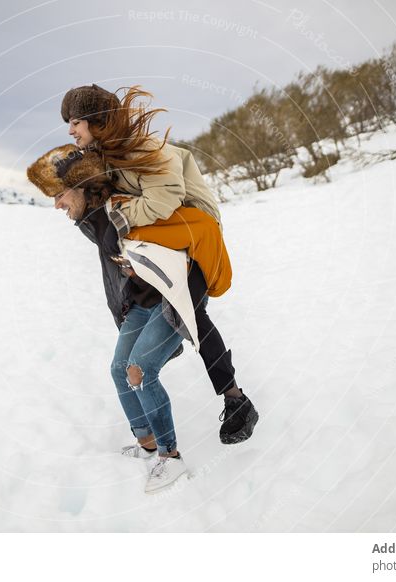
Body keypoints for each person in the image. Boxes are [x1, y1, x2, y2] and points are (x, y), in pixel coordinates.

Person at [59, 83, 258, 444]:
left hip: (192, 238)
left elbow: (164, 200)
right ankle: (161, 358)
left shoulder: (143, 148)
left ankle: (237, 401)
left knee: (190, 314)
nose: (70, 130)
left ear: (96, 120)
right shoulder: (106, 157)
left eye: (75, 122)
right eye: (68, 123)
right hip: (157, 244)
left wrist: (118, 213)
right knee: (155, 310)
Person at [27, 145, 195, 493]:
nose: (57, 204)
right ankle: (146, 442)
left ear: (82, 186)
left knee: (141, 370)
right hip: (138, 305)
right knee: (120, 370)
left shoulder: (122, 208)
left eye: (59, 195)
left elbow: (170, 233)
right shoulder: (92, 219)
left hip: (171, 301)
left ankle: (170, 456)